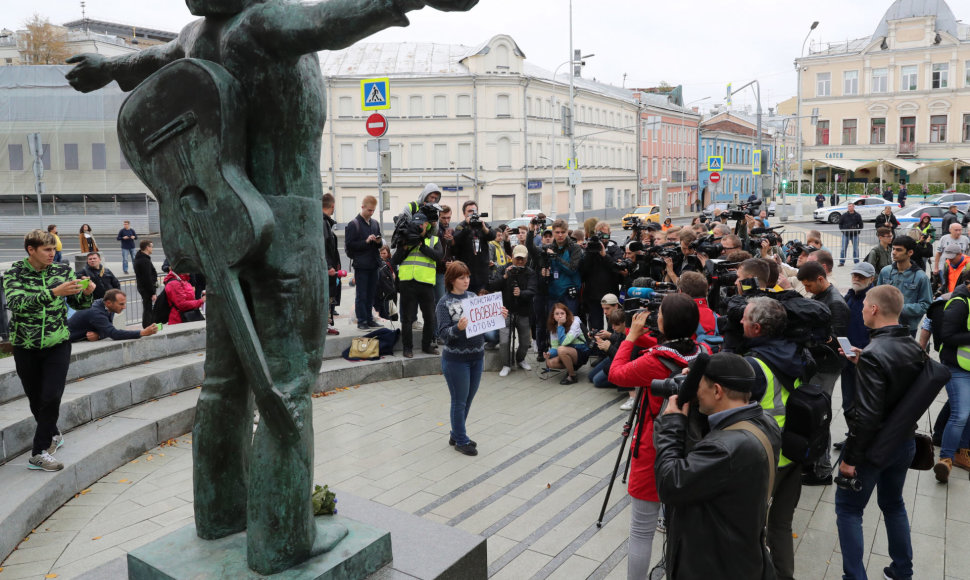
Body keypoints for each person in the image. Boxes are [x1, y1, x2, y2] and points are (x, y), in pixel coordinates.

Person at [65, 0, 479, 572]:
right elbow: (330, 21)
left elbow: (149, 61)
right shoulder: (260, 23)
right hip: (287, 226)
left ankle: (219, 517)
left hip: (228, 226)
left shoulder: (195, 37)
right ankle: (282, 541)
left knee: (222, 386)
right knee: (287, 387)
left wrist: (106, 65)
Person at [654, 352, 781, 580]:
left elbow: (669, 483)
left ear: (717, 391)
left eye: (699, 385)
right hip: (742, 551)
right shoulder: (765, 422)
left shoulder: (725, 449)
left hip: (715, 567)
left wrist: (671, 425)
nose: (696, 392)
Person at [607, 293, 707, 580]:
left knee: (641, 530)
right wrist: (636, 334)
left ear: (665, 323)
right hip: (691, 446)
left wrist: (628, 340)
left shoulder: (654, 362)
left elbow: (617, 373)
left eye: (659, 314)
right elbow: (669, 351)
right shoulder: (702, 354)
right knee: (679, 523)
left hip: (655, 448)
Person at [836, 285, 922, 580]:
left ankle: (854, 576)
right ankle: (902, 570)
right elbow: (900, 382)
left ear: (873, 309)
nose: (860, 312)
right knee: (893, 503)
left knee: (848, 510)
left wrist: (849, 460)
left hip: (874, 448)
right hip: (904, 441)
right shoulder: (913, 345)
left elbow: (867, 417)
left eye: (864, 307)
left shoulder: (875, 352)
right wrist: (864, 360)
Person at [3, 229, 95, 471]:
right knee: (36, 399)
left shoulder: (62, 270)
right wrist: (53, 292)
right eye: (46, 249)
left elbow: (78, 303)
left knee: (52, 396)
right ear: (30, 250)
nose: (52, 254)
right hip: (26, 346)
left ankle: (39, 451)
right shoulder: (14, 272)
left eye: (54, 249)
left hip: (57, 343)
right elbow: (16, 304)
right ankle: (52, 433)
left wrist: (87, 293)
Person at [740, 297, 812, 580]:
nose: (739, 321)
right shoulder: (796, 351)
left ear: (757, 329)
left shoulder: (754, 366)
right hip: (792, 451)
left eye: (744, 319)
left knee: (750, 526)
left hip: (765, 458)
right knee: (781, 524)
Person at [436, 261, 506, 457]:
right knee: (459, 401)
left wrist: (498, 315)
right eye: (461, 277)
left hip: (477, 356)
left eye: (467, 276)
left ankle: (456, 433)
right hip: (456, 360)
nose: (466, 280)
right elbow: (442, 334)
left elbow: (485, 326)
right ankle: (461, 440)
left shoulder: (473, 297)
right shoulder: (444, 303)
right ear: (451, 280)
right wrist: (457, 329)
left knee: (468, 399)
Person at [797, 260, 849, 486]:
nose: (806, 290)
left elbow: (835, 340)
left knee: (819, 416)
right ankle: (813, 463)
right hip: (818, 365)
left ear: (821, 279)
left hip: (826, 367)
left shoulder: (835, 303)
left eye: (808, 286)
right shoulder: (821, 297)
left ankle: (823, 470)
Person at [934, 273, 970, 482]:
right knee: (961, 413)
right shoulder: (958, 303)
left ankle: (962, 452)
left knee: (965, 410)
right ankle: (945, 459)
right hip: (957, 368)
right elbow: (947, 336)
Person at [392, 211, 442, 358]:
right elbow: (394, 260)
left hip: (426, 283)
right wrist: (405, 247)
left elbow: (438, 256)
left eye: (422, 224)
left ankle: (427, 345)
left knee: (430, 317)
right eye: (416, 224)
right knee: (407, 318)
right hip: (407, 283)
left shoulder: (433, 240)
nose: (419, 227)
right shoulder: (405, 239)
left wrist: (421, 246)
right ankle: (408, 348)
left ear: (427, 225)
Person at [490, 245, 536, 377]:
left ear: (527, 259)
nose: (520, 261)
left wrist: (522, 293)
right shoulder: (504, 269)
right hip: (506, 311)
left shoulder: (530, 272)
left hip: (523, 311)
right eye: (518, 259)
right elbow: (492, 285)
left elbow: (533, 290)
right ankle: (506, 364)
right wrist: (504, 277)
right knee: (504, 340)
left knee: (525, 342)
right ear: (512, 258)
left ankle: (520, 359)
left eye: (523, 259)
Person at [839, 262, 876, 417]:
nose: (856, 278)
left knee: (862, 404)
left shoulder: (873, 300)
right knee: (848, 402)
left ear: (871, 279)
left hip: (864, 359)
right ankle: (852, 438)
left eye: (861, 276)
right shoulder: (850, 295)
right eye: (854, 275)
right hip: (848, 357)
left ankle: (858, 439)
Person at [876, 236, 932, 336]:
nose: (893, 252)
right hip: (884, 326)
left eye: (899, 250)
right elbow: (876, 297)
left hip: (907, 329)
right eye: (893, 249)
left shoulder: (921, 277)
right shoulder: (885, 272)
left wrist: (899, 308)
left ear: (910, 252)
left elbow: (926, 305)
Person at [345, 195, 384, 331]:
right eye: (369, 210)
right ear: (362, 207)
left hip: (374, 263)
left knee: (371, 293)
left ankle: (369, 319)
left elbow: (379, 246)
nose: (371, 213)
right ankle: (362, 321)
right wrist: (365, 242)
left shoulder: (375, 223)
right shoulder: (353, 224)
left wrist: (379, 242)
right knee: (362, 294)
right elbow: (349, 246)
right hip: (361, 265)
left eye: (373, 210)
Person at [69, 289, 160, 342]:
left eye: (124, 303)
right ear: (108, 303)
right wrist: (142, 332)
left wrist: (99, 335)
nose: (124, 307)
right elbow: (114, 334)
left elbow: (108, 328)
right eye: (121, 304)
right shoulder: (96, 312)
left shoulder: (107, 306)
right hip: (64, 340)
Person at [452, 200, 495, 293]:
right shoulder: (461, 226)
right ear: (464, 214)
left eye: (474, 211)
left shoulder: (483, 224)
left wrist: (484, 228)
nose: (473, 213)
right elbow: (457, 238)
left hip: (482, 271)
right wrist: (468, 226)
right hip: (466, 272)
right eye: (470, 211)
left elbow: (493, 235)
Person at [543, 219, 583, 316]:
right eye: (557, 232)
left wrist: (555, 257)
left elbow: (572, 269)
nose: (560, 235)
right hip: (553, 294)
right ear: (553, 232)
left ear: (567, 232)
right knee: (553, 327)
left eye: (563, 232)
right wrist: (545, 272)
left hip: (569, 294)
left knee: (570, 327)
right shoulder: (549, 248)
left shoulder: (575, 248)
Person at [542, 303, 588, 385]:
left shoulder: (575, 323)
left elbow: (564, 342)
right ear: (553, 316)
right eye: (557, 314)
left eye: (562, 313)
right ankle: (572, 366)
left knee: (561, 349)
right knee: (549, 362)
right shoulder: (553, 326)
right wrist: (549, 354)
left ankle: (572, 376)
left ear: (566, 314)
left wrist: (560, 325)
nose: (560, 316)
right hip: (568, 350)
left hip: (582, 351)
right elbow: (555, 347)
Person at [322, 193, 341, 335]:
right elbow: (324, 247)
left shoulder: (325, 221)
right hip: (327, 271)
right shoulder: (323, 222)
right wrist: (328, 267)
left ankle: (326, 326)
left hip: (329, 269)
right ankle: (324, 327)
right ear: (332, 206)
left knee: (329, 297)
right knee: (326, 297)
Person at [933, 223, 970, 287]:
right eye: (956, 230)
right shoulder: (944, 238)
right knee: (946, 285)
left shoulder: (965, 239)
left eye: (960, 230)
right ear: (950, 230)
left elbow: (967, 254)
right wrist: (936, 267)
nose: (958, 232)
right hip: (946, 267)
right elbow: (938, 253)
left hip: (961, 269)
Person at [134, 240, 158, 329]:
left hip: (143, 287)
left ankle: (148, 325)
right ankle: (148, 326)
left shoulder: (141, 258)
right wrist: (153, 292)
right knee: (148, 308)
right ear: (147, 247)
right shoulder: (144, 260)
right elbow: (147, 278)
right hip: (146, 289)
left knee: (147, 307)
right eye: (151, 247)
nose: (152, 249)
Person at [434, 205, 455, 303]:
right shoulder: (435, 231)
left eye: (448, 218)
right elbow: (433, 253)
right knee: (441, 301)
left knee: (449, 301)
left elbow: (453, 251)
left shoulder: (451, 230)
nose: (446, 221)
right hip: (438, 271)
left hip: (449, 271)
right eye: (443, 218)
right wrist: (443, 263)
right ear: (438, 217)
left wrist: (452, 242)